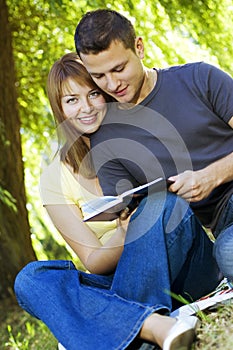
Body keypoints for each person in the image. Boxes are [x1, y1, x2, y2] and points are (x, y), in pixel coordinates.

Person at [14, 52, 221, 350]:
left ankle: (111, 326)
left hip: (183, 265)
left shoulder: (141, 133)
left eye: (93, 94)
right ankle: (153, 325)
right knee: (31, 278)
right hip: (119, 278)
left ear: (106, 93)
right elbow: (94, 262)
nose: (85, 108)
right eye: (72, 100)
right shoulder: (53, 179)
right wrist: (124, 233)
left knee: (160, 207)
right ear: (59, 108)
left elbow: (181, 210)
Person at [74, 9, 233, 283]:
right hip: (223, 226)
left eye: (119, 68)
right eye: (99, 76)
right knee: (228, 252)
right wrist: (127, 218)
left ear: (139, 47)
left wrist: (210, 176)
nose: (113, 84)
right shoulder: (107, 139)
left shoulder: (199, 78)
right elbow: (130, 217)